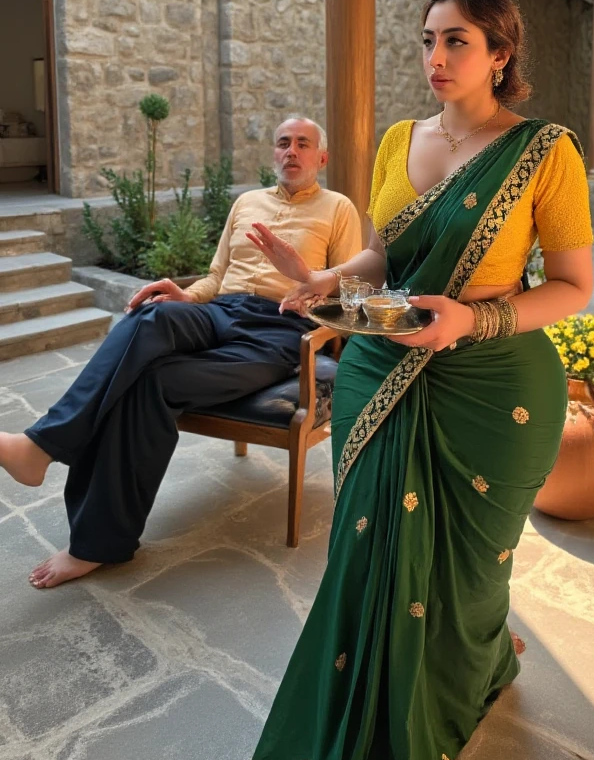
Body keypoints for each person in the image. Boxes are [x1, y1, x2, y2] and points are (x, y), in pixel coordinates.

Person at [242, 0, 594, 760]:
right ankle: (348, 757)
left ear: (501, 55)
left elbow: (575, 288)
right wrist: (323, 279)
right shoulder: (401, 140)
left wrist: (475, 317)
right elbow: (381, 254)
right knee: (368, 565)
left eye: (459, 42)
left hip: (492, 383)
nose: (436, 59)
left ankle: (473, 662)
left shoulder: (546, 152)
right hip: (379, 369)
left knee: (471, 575)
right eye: (428, 40)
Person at [0, 116, 361, 590]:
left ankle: (95, 542)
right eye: (283, 143)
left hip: (278, 331)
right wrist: (185, 295)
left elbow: (349, 296)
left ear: (322, 157)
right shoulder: (246, 203)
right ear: (273, 153)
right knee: (150, 316)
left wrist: (309, 296)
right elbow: (214, 277)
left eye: (303, 144)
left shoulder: (338, 209)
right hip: (221, 312)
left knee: (152, 383)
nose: (291, 151)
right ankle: (42, 444)